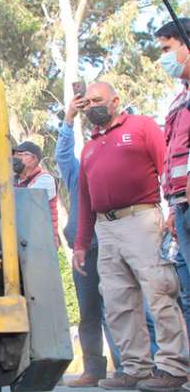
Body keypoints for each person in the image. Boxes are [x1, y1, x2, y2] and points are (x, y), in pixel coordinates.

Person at [73, 82, 188, 390]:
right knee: (117, 301)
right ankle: (135, 368)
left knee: (159, 292)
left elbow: (166, 165)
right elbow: (84, 199)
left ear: (115, 101)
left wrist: (173, 210)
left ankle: (173, 367)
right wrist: (81, 244)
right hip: (105, 228)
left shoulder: (141, 126)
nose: (93, 105)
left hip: (142, 219)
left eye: (99, 100)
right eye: (89, 102)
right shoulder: (89, 148)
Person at [55, 103, 123, 386]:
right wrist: (69, 119)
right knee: (89, 312)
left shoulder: (116, 162)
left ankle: (127, 367)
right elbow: (62, 154)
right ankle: (93, 370)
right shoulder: (77, 170)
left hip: (112, 243)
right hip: (84, 249)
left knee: (122, 307)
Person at [155, 18, 190, 340]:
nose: (163, 58)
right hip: (179, 204)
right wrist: (170, 209)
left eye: (168, 49)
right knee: (187, 294)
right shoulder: (180, 98)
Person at [12, 141, 59, 245]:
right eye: (15, 155)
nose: (15, 158)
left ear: (34, 159)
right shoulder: (13, 181)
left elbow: (26, 202)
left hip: (42, 242)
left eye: (20, 154)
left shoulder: (45, 179)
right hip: (21, 241)